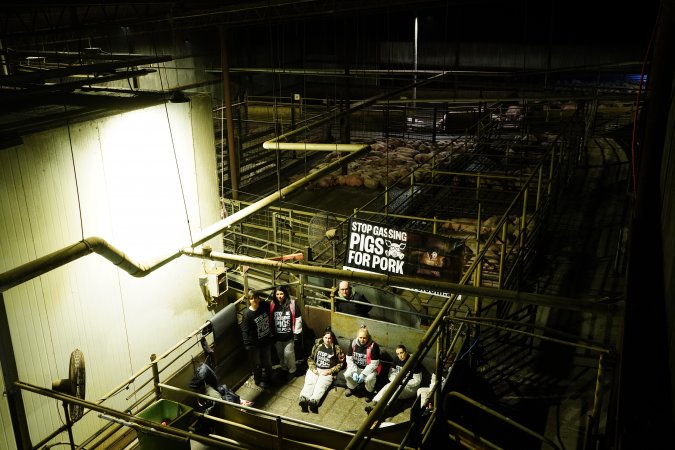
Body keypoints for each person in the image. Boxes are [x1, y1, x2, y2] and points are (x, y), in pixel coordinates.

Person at [298, 327, 345, 413]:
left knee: (320, 386)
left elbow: (340, 364)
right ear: (323, 338)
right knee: (310, 382)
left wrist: (330, 371)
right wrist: (313, 368)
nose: (327, 340)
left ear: (332, 339)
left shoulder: (337, 349)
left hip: (327, 372)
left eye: (329, 338)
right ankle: (304, 398)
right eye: (326, 338)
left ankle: (314, 401)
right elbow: (310, 359)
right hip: (316, 369)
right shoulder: (317, 346)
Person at [364, 344, 422, 413]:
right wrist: (395, 380)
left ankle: (384, 408)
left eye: (402, 353)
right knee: (388, 386)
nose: (400, 355)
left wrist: (402, 381)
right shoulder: (397, 360)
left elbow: (417, 381)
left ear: (406, 352)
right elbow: (391, 374)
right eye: (398, 354)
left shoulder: (413, 362)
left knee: (396, 388)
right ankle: (374, 403)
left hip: (410, 388)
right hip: (399, 383)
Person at [240, 289, 274, 388]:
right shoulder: (247, 314)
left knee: (268, 361)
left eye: (255, 298)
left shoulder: (263, 305)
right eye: (251, 298)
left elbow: (270, 305)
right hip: (254, 345)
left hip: (266, 341)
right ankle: (258, 380)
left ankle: (270, 377)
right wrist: (247, 345)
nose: (254, 300)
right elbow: (244, 330)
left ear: (259, 298)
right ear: (249, 300)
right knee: (257, 364)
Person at [271, 285, 303, 380]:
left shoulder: (291, 304)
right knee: (280, 354)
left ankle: (292, 370)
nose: (279, 296)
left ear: (285, 294)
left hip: (289, 337)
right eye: (277, 294)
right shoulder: (272, 305)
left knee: (289, 354)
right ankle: (284, 368)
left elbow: (298, 319)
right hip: (277, 337)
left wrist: (297, 334)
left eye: (281, 294)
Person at [344, 325, 381, 400]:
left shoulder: (374, 346)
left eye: (364, 338)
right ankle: (352, 388)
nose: (362, 340)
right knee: (347, 374)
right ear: (357, 337)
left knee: (369, 379)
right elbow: (349, 358)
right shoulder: (353, 343)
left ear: (368, 337)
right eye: (360, 337)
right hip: (356, 367)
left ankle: (369, 392)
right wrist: (354, 371)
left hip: (369, 369)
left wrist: (363, 374)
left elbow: (374, 363)